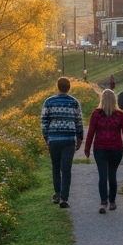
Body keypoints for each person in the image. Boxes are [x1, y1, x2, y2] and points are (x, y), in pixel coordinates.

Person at [85, 88, 123, 214]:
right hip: (113, 148)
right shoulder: (119, 114)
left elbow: (91, 133)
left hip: (104, 149)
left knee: (105, 176)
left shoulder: (97, 114)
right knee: (110, 176)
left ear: (102, 99)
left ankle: (104, 203)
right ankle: (111, 201)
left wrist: (87, 148)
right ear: (114, 100)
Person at [41, 77, 84, 208]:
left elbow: (44, 121)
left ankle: (57, 193)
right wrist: (80, 139)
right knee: (66, 169)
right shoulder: (74, 102)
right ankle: (64, 198)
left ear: (58, 86)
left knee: (55, 167)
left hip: (54, 139)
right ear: (69, 87)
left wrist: (46, 137)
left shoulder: (49, 102)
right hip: (68, 140)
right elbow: (79, 122)